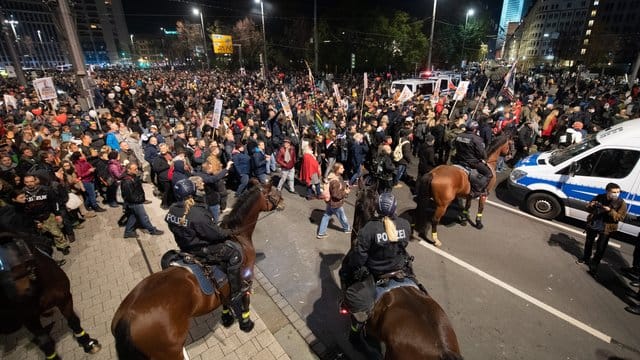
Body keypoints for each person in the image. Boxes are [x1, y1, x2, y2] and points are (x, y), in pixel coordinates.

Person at [339, 192, 413, 346]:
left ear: (377, 208)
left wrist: (352, 268)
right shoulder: (405, 224)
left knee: (347, 277)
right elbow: (404, 245)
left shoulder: (369, 228)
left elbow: (359, 256)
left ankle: (355, 330)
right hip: (400, 268)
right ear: (395, 208)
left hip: (376, 274)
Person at [165, 179, 246, 305]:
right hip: (202, 250)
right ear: (193, 192)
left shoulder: (172, 211)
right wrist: (229, 232)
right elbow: (215, 234)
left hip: (184, 246)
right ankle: (236, 292)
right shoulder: (197, 213)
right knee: (235, 253)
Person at [576, 183, 627, 276]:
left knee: (601, 247)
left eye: (618, 192)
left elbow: (620, 218)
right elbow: (588, 208)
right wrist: (591, 205)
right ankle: (585, 258)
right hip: (594, 223)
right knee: (588, 242)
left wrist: (610, 211)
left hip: (607, 227)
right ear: (607, 191)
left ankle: (595, 264)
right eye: (613, 192)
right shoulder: (599, 197)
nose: (616, 194)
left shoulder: (621, 202)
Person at [120, 163, 164, 238]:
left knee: (133, 216)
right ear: (128, 170)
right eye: (135, 169)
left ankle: (128, 231)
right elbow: (130, 196)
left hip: (135, 201)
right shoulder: (127, 182)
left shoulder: (132, 177)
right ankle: (152, 230)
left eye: (137, 169)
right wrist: (139, 200)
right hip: (134, 203)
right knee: (144, 217)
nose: (137, 170)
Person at [451, 121, 493, 198]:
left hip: (458, 159)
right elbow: (482, 153)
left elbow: (453, 145)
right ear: (475, 130)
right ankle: (478, 191)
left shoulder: (459, 135)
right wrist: (484, 157)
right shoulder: (476, 139)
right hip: (471, 162)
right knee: (489, 174)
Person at [316, 162, 351, 238]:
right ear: (337, 170)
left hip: (330, 202)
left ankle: (321, 233)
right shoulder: (335, 181)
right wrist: (345, 192)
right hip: (336, 203)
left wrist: (344, 188)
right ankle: (347, 228)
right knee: (342, 217)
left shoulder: (334, 177)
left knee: (326, 216)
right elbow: (336, 195)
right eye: (341, 168)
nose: (343, 169)